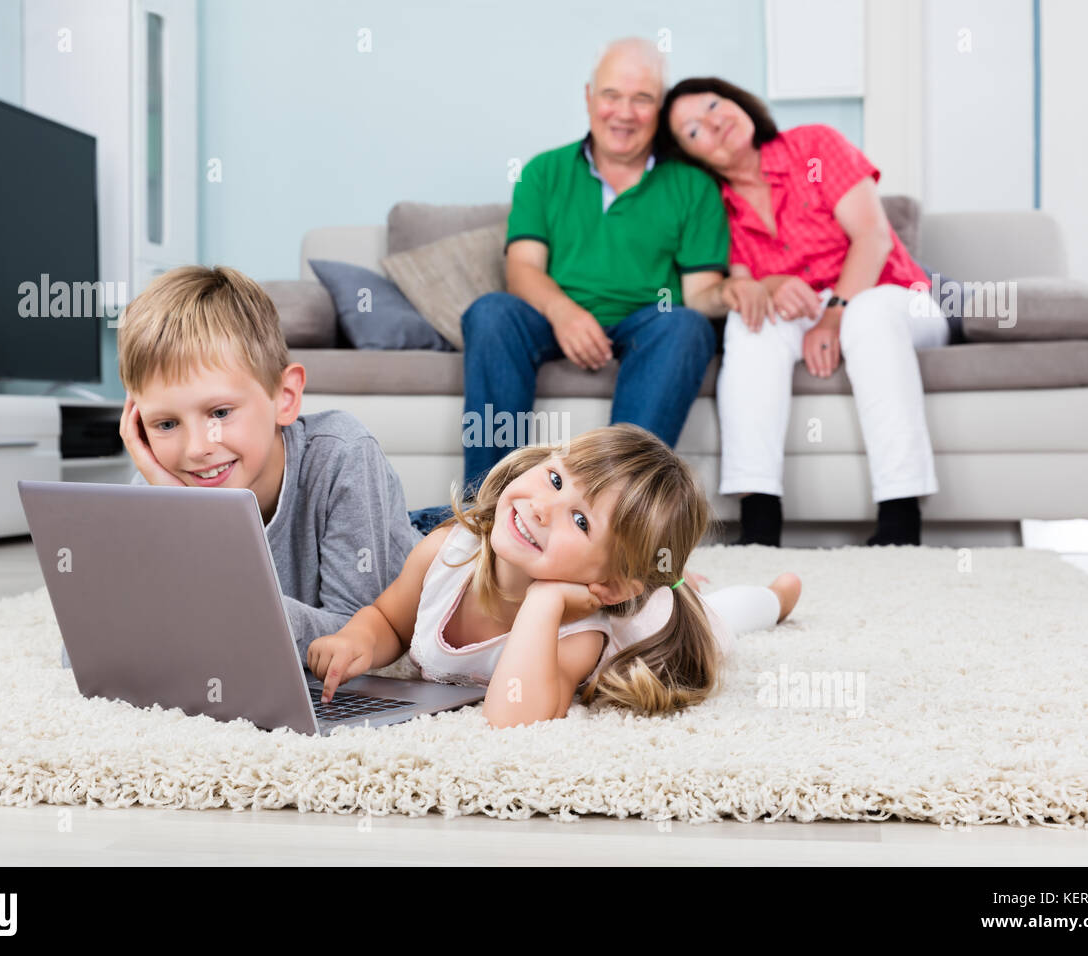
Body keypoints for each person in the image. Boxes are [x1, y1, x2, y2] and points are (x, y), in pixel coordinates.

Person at [410, 38, 737, 536]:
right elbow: (522, 268)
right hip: (551, 314)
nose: (623, 113)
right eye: (612, 95)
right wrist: (563, 313)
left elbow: (698, 294)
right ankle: (487, 506)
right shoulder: (544, 172)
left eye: (642, 99)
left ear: (660, 106)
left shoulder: (693, 186)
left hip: (649, 320)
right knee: (491, 311)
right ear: (588, 97)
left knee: (687, 325)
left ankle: (616, 516)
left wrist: (749, 289)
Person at [309, 424, 801, 729]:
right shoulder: (446, 553)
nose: (543, 509)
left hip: (637, 613)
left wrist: (546, 602)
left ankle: (774, 597)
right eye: (556, 480)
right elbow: (390, 621)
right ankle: (679, 575)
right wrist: (357, 638)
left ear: (608, 582)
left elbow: (513, 717)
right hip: (619, 579)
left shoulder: (579, 633)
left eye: (581, 521)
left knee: (718, 624)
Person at [658, 78, 951, 546]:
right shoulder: (716, 206)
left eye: (715, 105)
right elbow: (738, 280)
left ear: (739, 102)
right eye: (694, 130)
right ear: (689, 156)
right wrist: (767, 285)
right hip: (805, 309)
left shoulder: (814, 145)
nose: (714, 123)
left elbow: (872, 238)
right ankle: (759, 521)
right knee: (748, 323)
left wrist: (834, 314)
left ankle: (900, 519)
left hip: (894, 295)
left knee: (868, 315)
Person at [114, 264, 419, 660]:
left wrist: (228, 609)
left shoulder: (342, 454)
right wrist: (184, 511)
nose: (196, 449)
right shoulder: (160, 485)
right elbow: (95, 643)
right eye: (166, 423)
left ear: (285, 398)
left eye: (220, 413)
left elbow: (353, 637)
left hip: (430, 552)